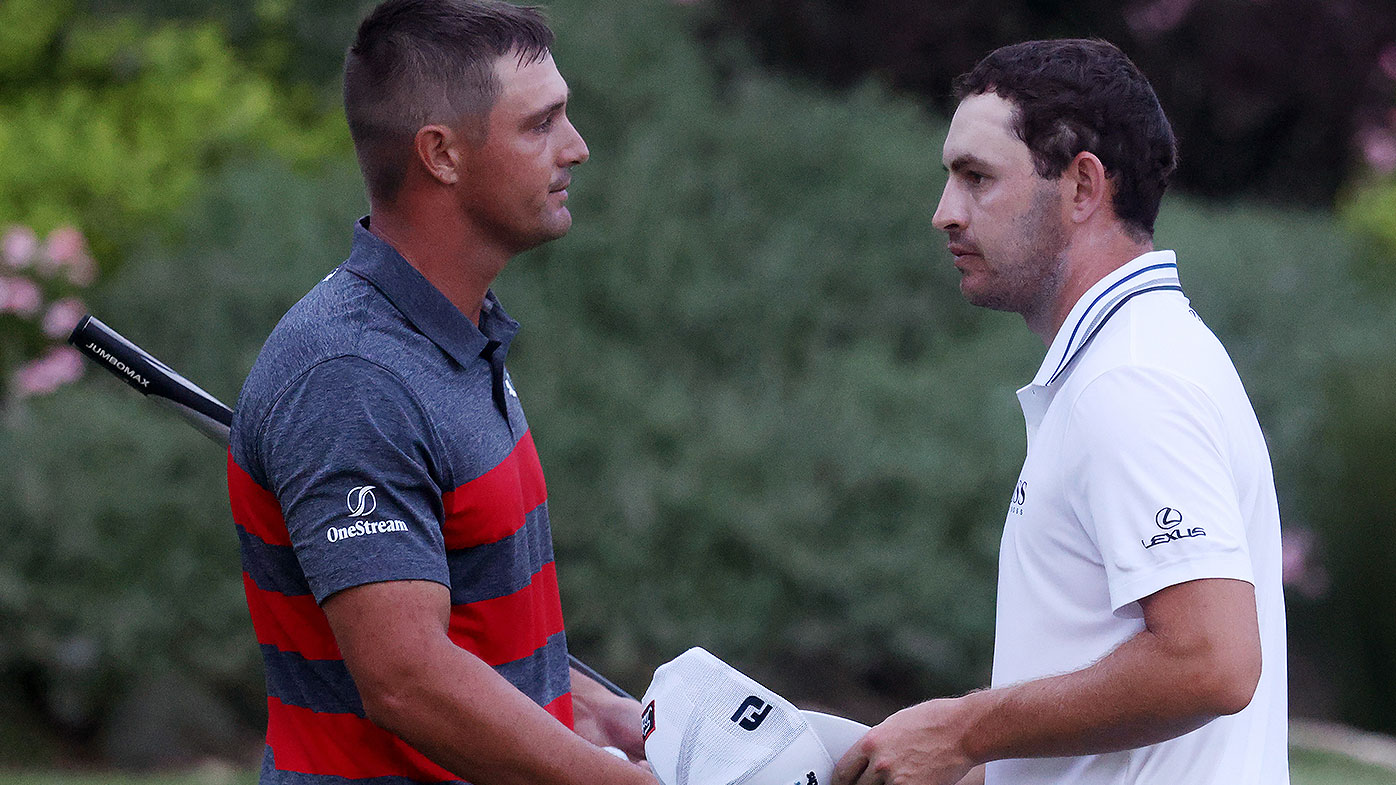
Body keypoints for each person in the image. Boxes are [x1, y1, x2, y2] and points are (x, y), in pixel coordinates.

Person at [832, 39, 1288, 785]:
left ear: (1082, 188)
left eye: (976, 177)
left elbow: (1213, 662)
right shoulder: (1128, 358)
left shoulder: (1132, 378)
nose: (943, 212)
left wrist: (961, 729)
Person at [226, 2, 654, 783]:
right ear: (442, 154)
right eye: (541, 124)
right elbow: (407, 678)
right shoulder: (352, 379)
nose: (577, 148)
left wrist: (597, 712)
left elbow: (477, 632)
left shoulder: (453, 336)